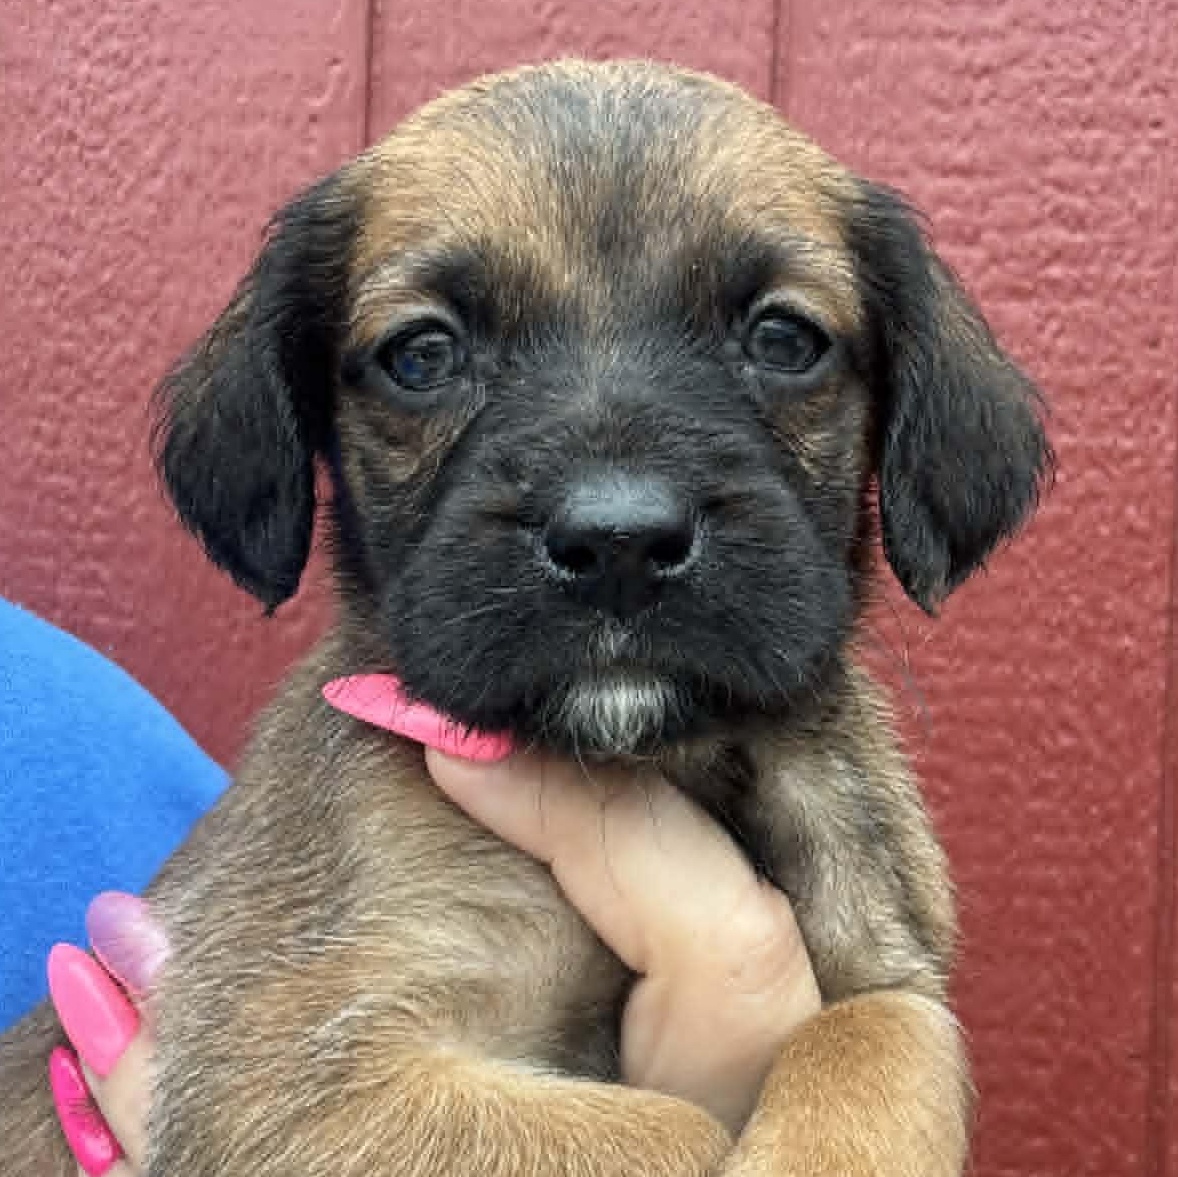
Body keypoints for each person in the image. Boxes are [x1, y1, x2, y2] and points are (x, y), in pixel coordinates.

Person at [0, 600, 822, 1175]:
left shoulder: (77, 726)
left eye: (781, 342)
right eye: (424, 357)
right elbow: (296, 1125)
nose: (616, 508)